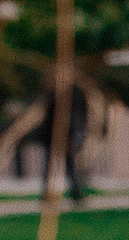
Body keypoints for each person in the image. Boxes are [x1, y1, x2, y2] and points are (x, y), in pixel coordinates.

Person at [31, 76, 89, 204]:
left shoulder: (69, 97)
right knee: (50, 167)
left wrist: (70, 136)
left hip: (65, 137)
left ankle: (76, 193)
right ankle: (49, 194)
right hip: (50, 137)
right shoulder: (49, 96)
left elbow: (71, 118)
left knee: (69, 167)